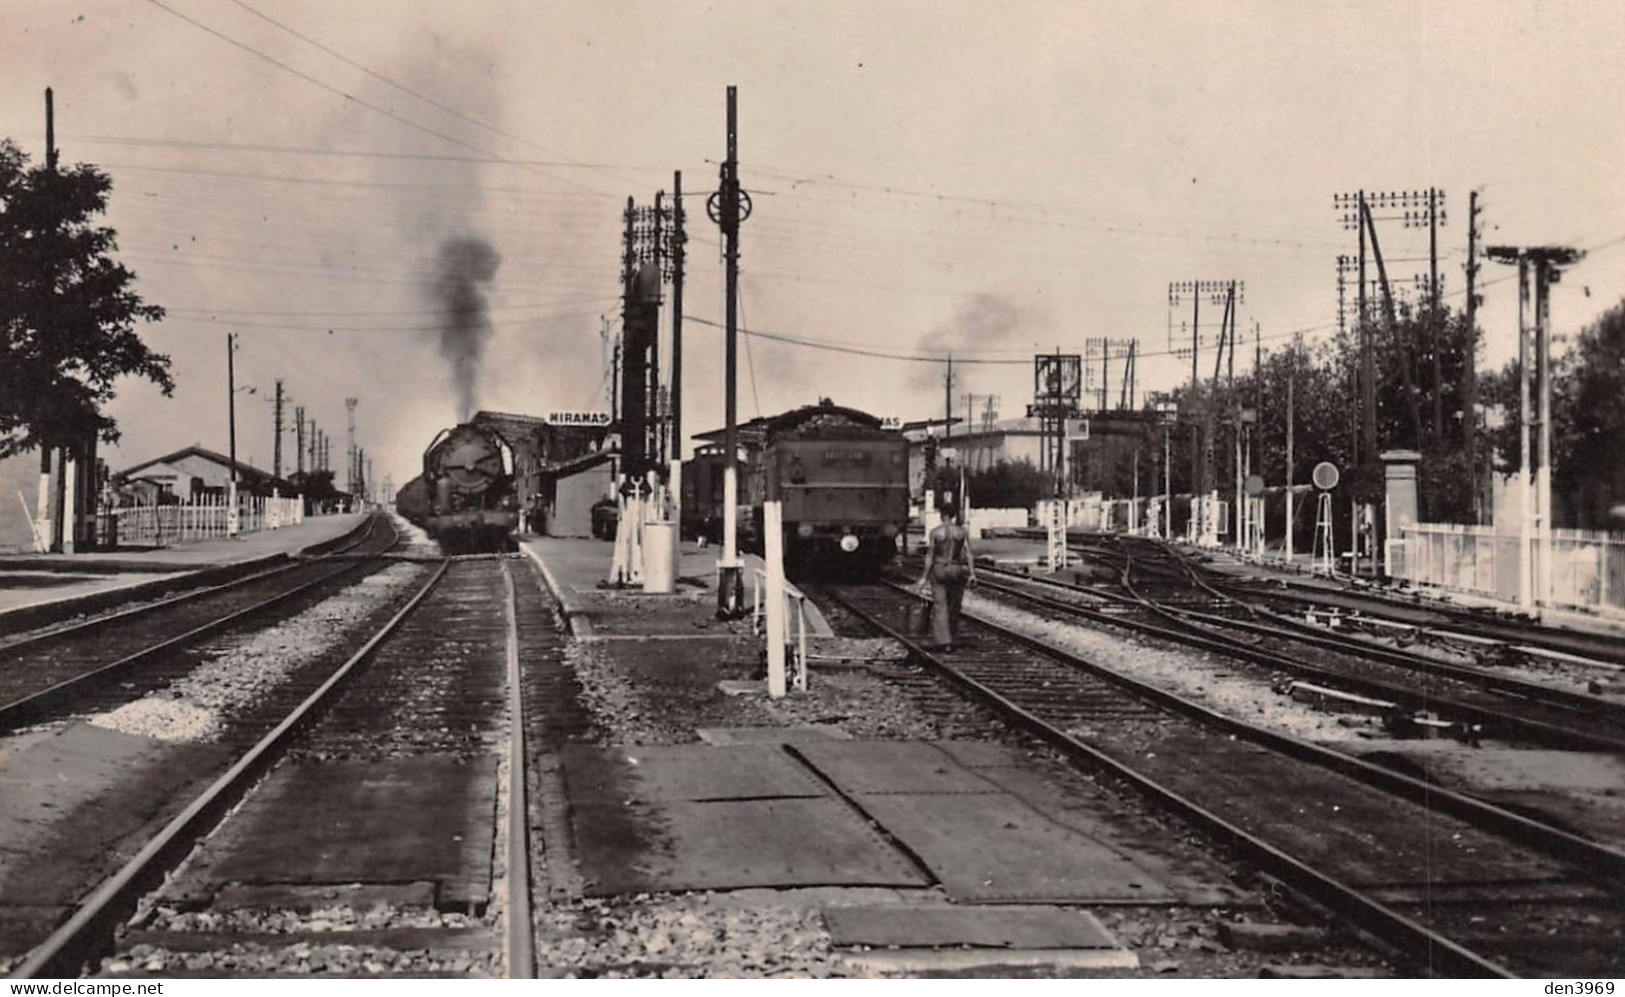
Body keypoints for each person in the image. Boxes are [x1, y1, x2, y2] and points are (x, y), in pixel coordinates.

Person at [918, 497, 976, 651]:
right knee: (954, 606)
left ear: (941, 515)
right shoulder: (961, 532)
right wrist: (972, 574)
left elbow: (930, 556)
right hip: (956, 569)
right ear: (953, 515)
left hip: (939, 568)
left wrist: (924, 577)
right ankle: (953, 636)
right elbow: (969, 554)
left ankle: (945, 641)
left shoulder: (935, 533)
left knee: (940, 605)